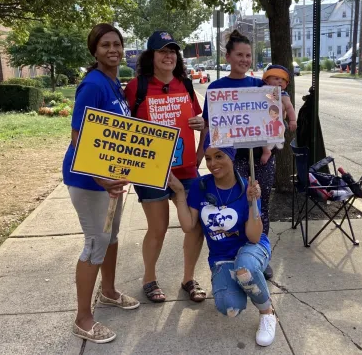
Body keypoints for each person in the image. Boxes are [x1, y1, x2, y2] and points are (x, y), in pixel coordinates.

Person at [62, 23, 139, 344]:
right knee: (95, 243)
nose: (113, 50)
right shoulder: (93, 85)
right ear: (95, 50)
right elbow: (78, 138)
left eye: (117, 44)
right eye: (105, 45)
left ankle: (107, 292)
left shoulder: (113, 83)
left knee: (111, 237)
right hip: (90, 182)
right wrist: (102, 178)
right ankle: (83, 318)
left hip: (111, 180)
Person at [167, 134, 277, 347]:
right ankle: (245, 281)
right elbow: (189, 226)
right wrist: (180, 192)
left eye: (219, 156)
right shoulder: (201, 186)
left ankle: (267, 313)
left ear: (231, 156)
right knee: (230, 307)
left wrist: (253, 202)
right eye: (208, 158)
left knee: (245, 268)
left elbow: (254, 237)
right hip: (221, 257)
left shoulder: (248, 186)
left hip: (251, 248)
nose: (212, 164)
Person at [124, 31, 207, 304]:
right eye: (162, 51)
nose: (169, 55)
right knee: (158, 228)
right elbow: (124, 130)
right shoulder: (137, 87)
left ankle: (188, 279)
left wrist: (199, 151)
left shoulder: (185, 83)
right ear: (151, 56)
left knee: (195, 227)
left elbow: (202, 121)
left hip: (186, 169)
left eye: (172, 50)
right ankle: (149, 279)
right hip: (151, 170)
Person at [198, 30, 276, 279]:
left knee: (259, 205)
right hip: (230, 157)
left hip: (258, 157)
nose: (244, 59)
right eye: (239, 55)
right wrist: (201, 155)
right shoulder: (216, 88)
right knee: (237, 204)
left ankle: (260, 254)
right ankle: (237, 254)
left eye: (248, 55)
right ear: (228, 57)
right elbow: (209, 125)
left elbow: (273, 116)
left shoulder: (258, 86)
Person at [261, 64, 297, 164]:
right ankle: (266, 150)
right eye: (276, 78)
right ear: (267, 80)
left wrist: (293, 120)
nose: (280, 81)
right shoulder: (261, 91)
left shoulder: (283, 95)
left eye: (283, 80)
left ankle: (270, 148)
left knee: (274, 133)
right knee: (262, 135)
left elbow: (289, 108)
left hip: (278, 122)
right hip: (264, 122)